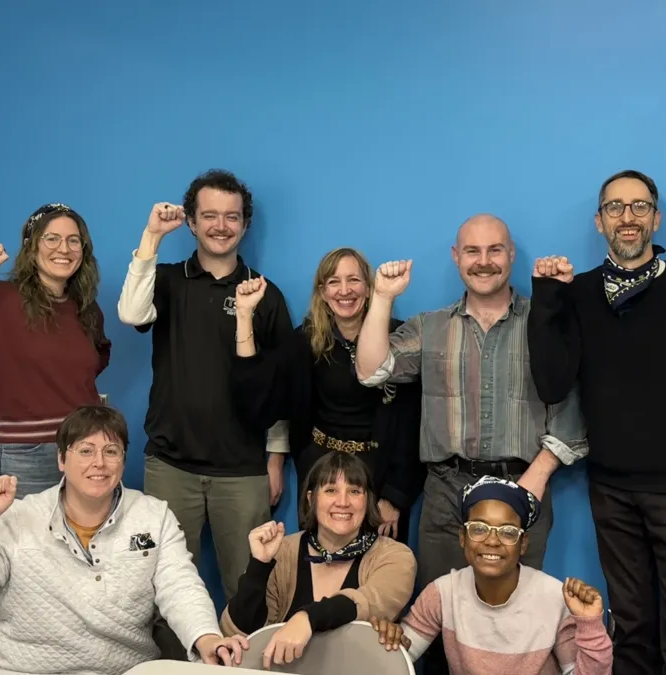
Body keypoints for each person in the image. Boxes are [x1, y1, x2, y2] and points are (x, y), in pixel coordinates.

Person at [355, 214, 587, 674]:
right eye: (473, 252)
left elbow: (575, 406)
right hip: (446, 495)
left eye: (494, 250)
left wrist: (534, 479)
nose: (484, 262)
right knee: (440, 625)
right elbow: (371, 370)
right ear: (456, 258)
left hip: (523, 490)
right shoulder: (431, 326)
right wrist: (381, 297)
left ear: (511, 255)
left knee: (521, 625)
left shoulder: (546, 322)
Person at [527, 169, 666, 675]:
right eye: (615, 207)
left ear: (656, 219)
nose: (628, 217)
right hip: (613, 493)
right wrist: (546, 299)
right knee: (632, 634)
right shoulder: (578, 292)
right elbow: (552, 384)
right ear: (599, 221)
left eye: (639, 207)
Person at [0, 405, 249, 675]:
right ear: (62, 459)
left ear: (123, 460)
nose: (99, 463)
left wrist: (206, 637)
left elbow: (180, 587)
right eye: (86, 450)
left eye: (111, 451)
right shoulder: (17, 518)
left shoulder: (154, 517)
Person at [117, 169, 293, 602]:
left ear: (245, 224)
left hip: (244, 471)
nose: (221, 225)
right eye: (209, 215)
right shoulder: (168, 281)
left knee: (251, 593)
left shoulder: (264, 294)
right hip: (171, 467)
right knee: (166, 594)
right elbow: (131, 314)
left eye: (232, 216)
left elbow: (280, 387)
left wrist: (274, 462)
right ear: (191, 223)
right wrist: (151, 238)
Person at [230, 246, 423, 542]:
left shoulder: (399, 337)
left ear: (370, 288)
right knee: (318, 572)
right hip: (321, 472)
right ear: (322, 291)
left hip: (381, 479)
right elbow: (258, 400)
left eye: (354, 280)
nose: (344, 290)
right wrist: (244, 315)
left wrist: (395, 496)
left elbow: (414, 423)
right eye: (333, 281)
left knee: (380, 575)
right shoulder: (305, 340)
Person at [0, 203, 111, 498]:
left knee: (89, 543)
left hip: (87, 448)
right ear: (31, 247)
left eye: (74, 240)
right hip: (27, 454)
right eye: (52, 238)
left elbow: (95, 360)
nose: (64, 248)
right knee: (28, 545)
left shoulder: (87, 309)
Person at [371, 475, 612, 675]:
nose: (492, 541)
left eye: (507, 532)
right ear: (463, 538)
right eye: (479, 529)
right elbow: (397, 660)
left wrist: (590, 626)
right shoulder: (443, 593)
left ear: (523, 543)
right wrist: (385, 638)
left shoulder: (554, 598)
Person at [220, 451, 416, 670]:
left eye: (354, 491)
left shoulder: (395, 556)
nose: (343, 502)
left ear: (367, 500)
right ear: (311, 499)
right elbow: (238, 635)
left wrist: (308, 618)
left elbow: (370, 601)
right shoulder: (284, 551)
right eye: (331, 490)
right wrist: (259, 566)